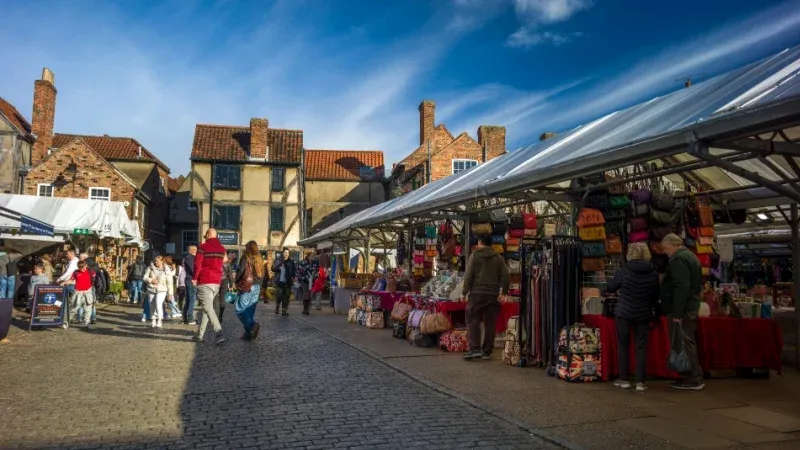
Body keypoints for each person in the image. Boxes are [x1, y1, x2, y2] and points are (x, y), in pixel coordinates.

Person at [606, 242, 660, 392]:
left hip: (624, 312)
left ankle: (624, 380)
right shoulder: (653, 272)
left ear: (630, 254)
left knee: (623, 346)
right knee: (641, 347)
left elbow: (611, 287)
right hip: (643, 313)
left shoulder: (624, 270)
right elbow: (655, 295)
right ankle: (640, 382)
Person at [661, 233, 704, 391]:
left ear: (674, 244)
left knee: (684, 342)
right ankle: (692, 375)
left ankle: (692, 378)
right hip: (691, 305)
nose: (665, 252)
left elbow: (681, 287)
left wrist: (677, 313)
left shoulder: (679, 259)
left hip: (683, 308)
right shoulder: (691, 256)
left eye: (666, 248)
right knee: (687, 340)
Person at [462, 234, 509, 361]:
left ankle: (474, 349)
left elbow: (468, 276)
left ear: (480, 242)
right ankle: (487, 352)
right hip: (493, 295)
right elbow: (506, 276)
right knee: (490, 324)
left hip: (476, 294)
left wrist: (464, 292)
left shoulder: (474, 256)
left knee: (472, 320)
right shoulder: (498, 258)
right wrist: (504, 292)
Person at [192, 229, 226, 344]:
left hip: (205, 280)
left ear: (207, 235)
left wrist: (194, 278)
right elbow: (225, 261)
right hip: (216, 282)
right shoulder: (222, 249)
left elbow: (197, 264)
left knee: (208, 308)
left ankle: (219, 333)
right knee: (207, 308)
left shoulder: (203, 247)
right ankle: (200, 335)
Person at [235, 241, 265, 340]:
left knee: (240, 309)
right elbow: (263, 275)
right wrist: (260, 287)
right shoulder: (260, 259)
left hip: (247, 286)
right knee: (250, 311)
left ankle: (252, 325)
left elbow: (241, 271)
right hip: (257, 287)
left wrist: (236, 281)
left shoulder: (245, 257)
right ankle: (248, 334)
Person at [143, 256, 174, 328]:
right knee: (152, 305)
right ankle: (153, 320)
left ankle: (159, 319)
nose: (155, 262)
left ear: (162, 261)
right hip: (151, 289)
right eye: (155, 261)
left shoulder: (166, 269)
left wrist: (170, 293)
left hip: (162, 289)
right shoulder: (150, 268)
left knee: (158, 304)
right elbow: (144, 277)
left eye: (157, 261)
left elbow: (170, 282)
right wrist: (151, 280)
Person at [66, 260, 96, 331]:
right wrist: (65, 282)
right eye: (80, 267)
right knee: (74, 307)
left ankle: (87, 323)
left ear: (86, 265)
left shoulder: (91, 272)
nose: (82, 269)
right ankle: (67, 321)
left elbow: (94, 280)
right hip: (78, 292)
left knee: (88, 309)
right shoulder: (76, 272)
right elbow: (71, 280)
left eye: (83, 267)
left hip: (87, 292)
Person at [57, 249, 80, 329]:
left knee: (66, 302)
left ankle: (65, 320)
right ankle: (65, 319)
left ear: (72, 254)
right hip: (68, 283)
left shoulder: (74, 262)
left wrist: (59, 279)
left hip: (70, 284)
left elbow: (68, 272)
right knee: (68, 302)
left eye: (67, 254)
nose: (66, 255)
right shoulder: (71, 262)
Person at [272, 248, 296, 316]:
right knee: (279, 295)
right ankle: (277, 307)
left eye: (287, 253)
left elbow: (294, 271)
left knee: (286, 297)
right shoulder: (278, 260)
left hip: (288, 282)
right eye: (285, 252)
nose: (286, 254)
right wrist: (279, 267)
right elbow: (272, 268)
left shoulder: (291, 262)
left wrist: (294, 277)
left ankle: (284, 311)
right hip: (279, 281)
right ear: (282, 253)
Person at [217, 252, 236, 321]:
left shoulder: (216, 262)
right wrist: (231, 284)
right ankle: (220, 316)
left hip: (216, 281)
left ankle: (215, 315)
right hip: (224, 282)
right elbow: (230, 274)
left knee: (215, 299)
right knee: (222, 300)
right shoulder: (226, 264)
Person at [182, 246, 198, 325]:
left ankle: (185, 318)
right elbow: (193, 269)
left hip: (189, 279)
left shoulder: (189, 258)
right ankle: (190, 318)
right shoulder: (190, 258)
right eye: (194, 249)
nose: (196, 251)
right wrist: (196, 277)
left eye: (196, 249)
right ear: (190, 250)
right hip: (191, 280)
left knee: (189, 300)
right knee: (192, 300)